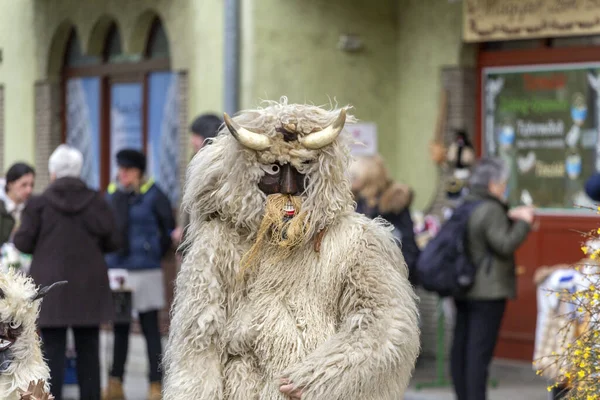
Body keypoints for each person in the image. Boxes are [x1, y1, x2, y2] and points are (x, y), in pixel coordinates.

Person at [162, 99, 420, 399]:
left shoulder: (356, 240)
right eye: (273, 169)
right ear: (250, 173)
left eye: (303, 169)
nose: (288, 187)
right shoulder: (221, 241)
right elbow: (199, 340)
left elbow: (386, 325)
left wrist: (322, 376)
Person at [13, 145, 119, 400]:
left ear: (53, 173)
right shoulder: (96, 200)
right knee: (89, 351)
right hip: (88, 287)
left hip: (52, 289)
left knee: (51, 353)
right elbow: (114, 240)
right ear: (79, 171)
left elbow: (23, 243)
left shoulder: (38, 204)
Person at [450, 157, 534, 400]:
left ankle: (463, 395)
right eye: (503, 182)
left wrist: (508, 213)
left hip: (463, 286)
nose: (504, 187)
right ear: (493, 184)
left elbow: (480, 236)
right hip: (488, 291)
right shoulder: (491, 208)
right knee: (479, 354)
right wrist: (524, 223)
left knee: (462, 348)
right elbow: (504, 244)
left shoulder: (467, 203)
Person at [104, 149, 175, 400]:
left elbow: (168, 230)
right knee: (121, 326)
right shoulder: (112, 195)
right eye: (120, 169)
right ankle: (115, 384)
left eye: (128, 170)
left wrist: (153, 252)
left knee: (149, 328)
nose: (122, 174)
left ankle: (156, 385)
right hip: (120, 271)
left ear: (139, 172)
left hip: (146, 270)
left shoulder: (154, 195)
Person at [350, 154, 421, 285]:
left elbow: (408, 246)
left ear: (368, 178)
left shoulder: (394, 204)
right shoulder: (355, 203)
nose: (350, 179)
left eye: (355, 175)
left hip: (394, 279)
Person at [171, 113, 222, 254]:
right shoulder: (196, 162)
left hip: (207, 240)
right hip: (194, 237)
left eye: (195, 136)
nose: (191, 141)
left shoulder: (213, 165)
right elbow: (189, 205)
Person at [0, 163, 35, 244]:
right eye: (24, 185)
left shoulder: (32, 208)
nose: (29, 190)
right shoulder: (2, 208)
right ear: (10, 184)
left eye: (31, 185)